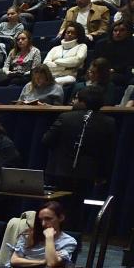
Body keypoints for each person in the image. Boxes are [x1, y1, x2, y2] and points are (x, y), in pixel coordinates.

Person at [44, 85, 116, 216]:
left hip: (61, 170)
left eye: (76, 99)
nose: (74, 102)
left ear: (83, 101)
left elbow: (47, 140)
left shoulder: (65, 117)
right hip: (88, 173)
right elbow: (108, 152)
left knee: (59, 208)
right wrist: (102, 175)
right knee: (78, 209)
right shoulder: (109, 122)